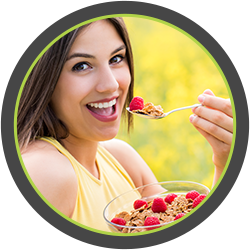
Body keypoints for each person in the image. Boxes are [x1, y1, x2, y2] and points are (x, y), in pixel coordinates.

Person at [16, 12, 232, 238]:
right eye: (81, 66)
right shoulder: (44, 173)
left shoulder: (123, 160)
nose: (111, 84)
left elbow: (200, 234)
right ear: (40, 78)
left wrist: (226, 161)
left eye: (116, 58)